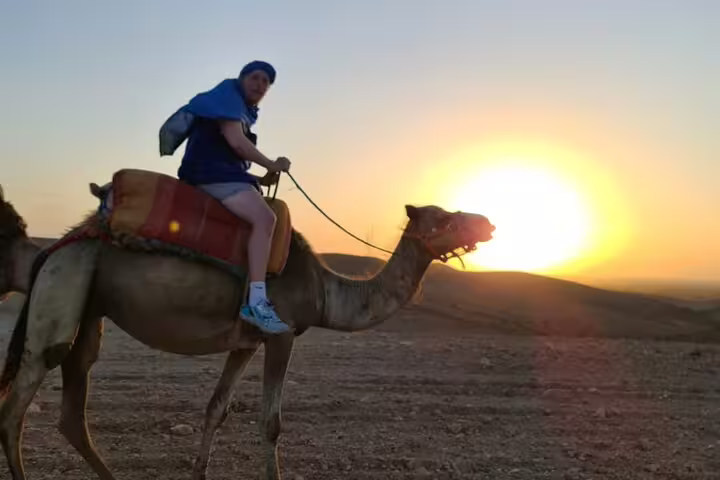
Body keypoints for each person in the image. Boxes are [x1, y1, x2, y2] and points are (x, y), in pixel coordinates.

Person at [161, 60, 291, 334]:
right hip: (208, 174)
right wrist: (271, 164)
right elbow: (236, 142)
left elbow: (227, 154)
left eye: (266, 82)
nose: (260, 85)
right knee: (266, 219)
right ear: (242, 78)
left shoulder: (237, 107)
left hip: (218, 172)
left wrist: (258, 178)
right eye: (255, 78)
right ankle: (256, 303)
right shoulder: (226, 98)